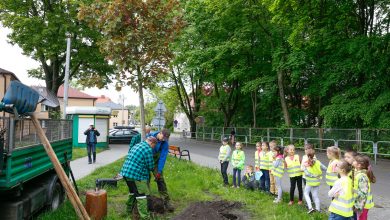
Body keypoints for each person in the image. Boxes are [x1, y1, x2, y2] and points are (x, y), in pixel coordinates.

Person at [120, 136, 158, 220]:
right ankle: (145, 217)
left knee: (132, 193)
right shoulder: (147, 149)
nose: (153, 148)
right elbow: (150, 165)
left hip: (126, 173)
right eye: (153, 146)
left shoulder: (137, 145)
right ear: (152, 143)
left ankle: (128, 211)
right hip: (136, 175)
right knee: (142, 196)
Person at [147, 129, 174, 212]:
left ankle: (166, 201)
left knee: (160, 180)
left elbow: (162, 157)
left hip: (156, 162)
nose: (163, 139)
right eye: (163, 137)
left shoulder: (165, 144)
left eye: (166, 138)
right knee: (145, 179)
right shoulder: (149, 136)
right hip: (146, 160)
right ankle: (146, 200)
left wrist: (159, 171)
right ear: (160, 133)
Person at [302, 148, 326, 214]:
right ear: (314, 155)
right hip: (317, 181)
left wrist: (312, 175)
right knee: (315, 195)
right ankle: (318, 209)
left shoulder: (306, 163)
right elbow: (324, 168)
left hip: (309, 182)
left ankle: (310, 208)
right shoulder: (318, 162)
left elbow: (307, 173)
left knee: (306, 193)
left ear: (307, 155)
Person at [353, 155, 375, 220]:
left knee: (362, 218)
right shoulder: (358, 172)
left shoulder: (362, 176)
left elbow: (363, 193)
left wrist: (358, 207)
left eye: (354, 161)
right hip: (362, 203)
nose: (353, 162)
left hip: (363, 205)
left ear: (359, 165)